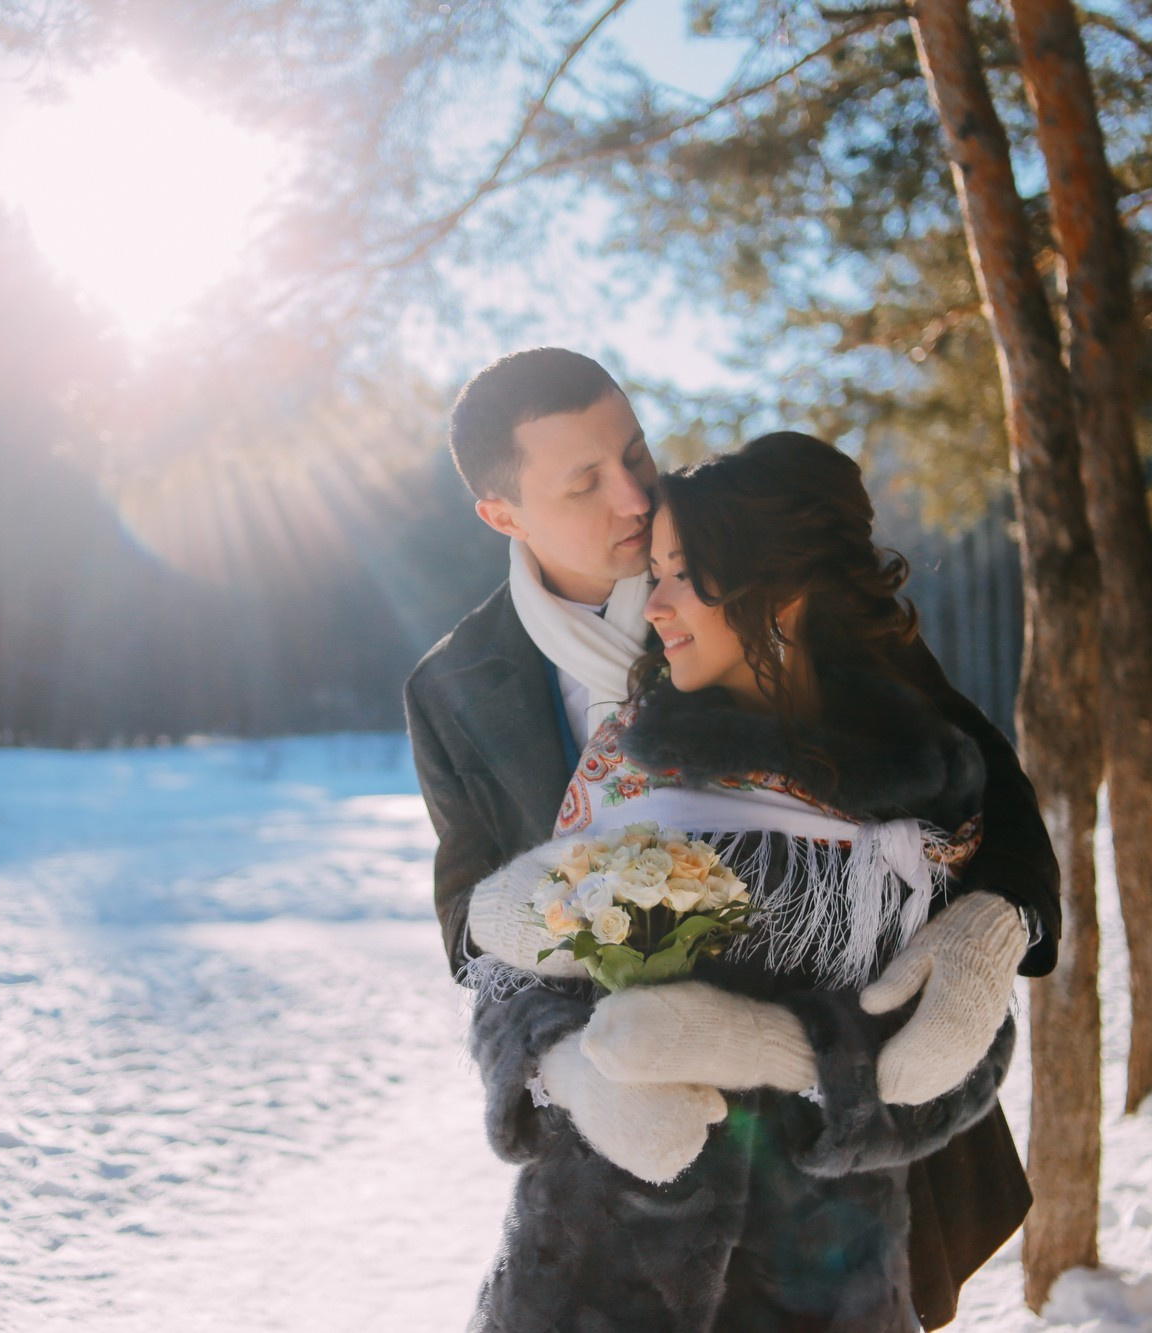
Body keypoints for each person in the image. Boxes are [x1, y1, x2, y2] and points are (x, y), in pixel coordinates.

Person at [402, 350, 1061, 1329]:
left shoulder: (762, 559)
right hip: (618, 1195)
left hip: (845, 1173)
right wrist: (563, 1070)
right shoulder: (453, 690)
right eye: (585, 482)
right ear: (502, 513)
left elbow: (978, 783)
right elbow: (474, 920)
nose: (634, 493)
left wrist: (988, 928)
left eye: (633, 451)